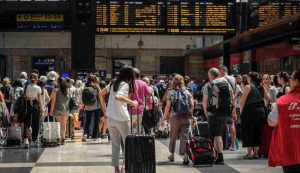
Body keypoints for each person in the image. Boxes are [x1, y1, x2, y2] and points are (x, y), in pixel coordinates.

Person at [99, 66, 138, 173]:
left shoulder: (113, 83)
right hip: (122, 118)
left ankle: (116, 169)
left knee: (115, 145)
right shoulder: (125, 84)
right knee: (127, 143)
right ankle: (124, 166)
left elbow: (101, 94)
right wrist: (132, 102)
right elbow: (119, 97)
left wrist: (104, 109)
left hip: (110, 117)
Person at [268, 69, 300, 173]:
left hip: (290, 152)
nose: (289, 81)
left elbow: (271, 121)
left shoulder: (283, 101)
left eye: (291, 78)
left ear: (296, 81)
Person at [202, 68, 236, 164]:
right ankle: (218, 155)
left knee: (216, 135)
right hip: (225, 112)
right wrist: (233, 111)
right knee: (219, 134)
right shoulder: (226, 83)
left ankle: (218, 156)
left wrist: (205, 111)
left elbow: (205, 100)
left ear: (211, 75)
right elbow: (232, 98)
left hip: (213, 112)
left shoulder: (209, 85)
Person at [161, 74, 195, 165]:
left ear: (174, 81)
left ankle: (172, 154)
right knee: (185, 136)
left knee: (173, 135)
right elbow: (192, 105)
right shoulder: (187, 92)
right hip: (185, 117)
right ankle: (185, 157)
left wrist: (164, 118)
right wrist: (190, 114)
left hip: (174, 117)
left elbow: (167, 107)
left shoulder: (171, 92)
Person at [240, 72, 269, 159]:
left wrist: (241, 114)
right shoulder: (261, 87)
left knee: (248, 131)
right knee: (258, 131)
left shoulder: (248, 87)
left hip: (250, 111)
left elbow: (242, 103)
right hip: (261, 111)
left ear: (250, 79)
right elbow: (268, 98)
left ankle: (249, 154)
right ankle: (256, 153)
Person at [219, 66, 237, 151]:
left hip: (223, 105)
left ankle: (221, 145)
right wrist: (234, 107)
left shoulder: (221, 79)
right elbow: (234, 93)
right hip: (231, 104)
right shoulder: (233, 79)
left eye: (219, 71)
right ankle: (233, 145)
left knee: (221, 124)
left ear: (222, 71)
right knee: (231, 124)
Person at [23, 73, 43, 148]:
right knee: (36, 121)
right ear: (37, 79)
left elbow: (24, 96)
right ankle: (34, 138)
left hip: (27, 104)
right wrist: (41, 108)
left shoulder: (26, 86)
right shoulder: (38, 88)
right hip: (35, 104)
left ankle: (27, 139)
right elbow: (39, 99)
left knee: (27, 121)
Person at [50, 77, 71, 145]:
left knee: (58, 124)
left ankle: (58, 138)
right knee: (63, 124)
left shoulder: (56, 89)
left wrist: (51, 110)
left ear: (58, 82)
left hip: (57, 109)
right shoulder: (68, 90)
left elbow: (52, 100)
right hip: (66, 109)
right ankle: (63, 138)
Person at [130, 68, 151, 133]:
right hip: (140, 109)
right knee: (137, 130)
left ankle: (129, 143)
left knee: (128, 130)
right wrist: (146, 103)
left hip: (130, 109)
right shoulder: (143, 83)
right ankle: (137, 142)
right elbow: (149, 94)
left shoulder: (129, 83)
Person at [81, 75, 102, 142]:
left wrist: (84, 105)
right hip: (96, 106)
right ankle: (95, 136)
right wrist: (102, 106)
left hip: (87, 106)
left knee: (87, 121)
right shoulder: (96, 86)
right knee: (96, 121)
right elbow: (100, 95)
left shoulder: (85, 86)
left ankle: (85, 134)